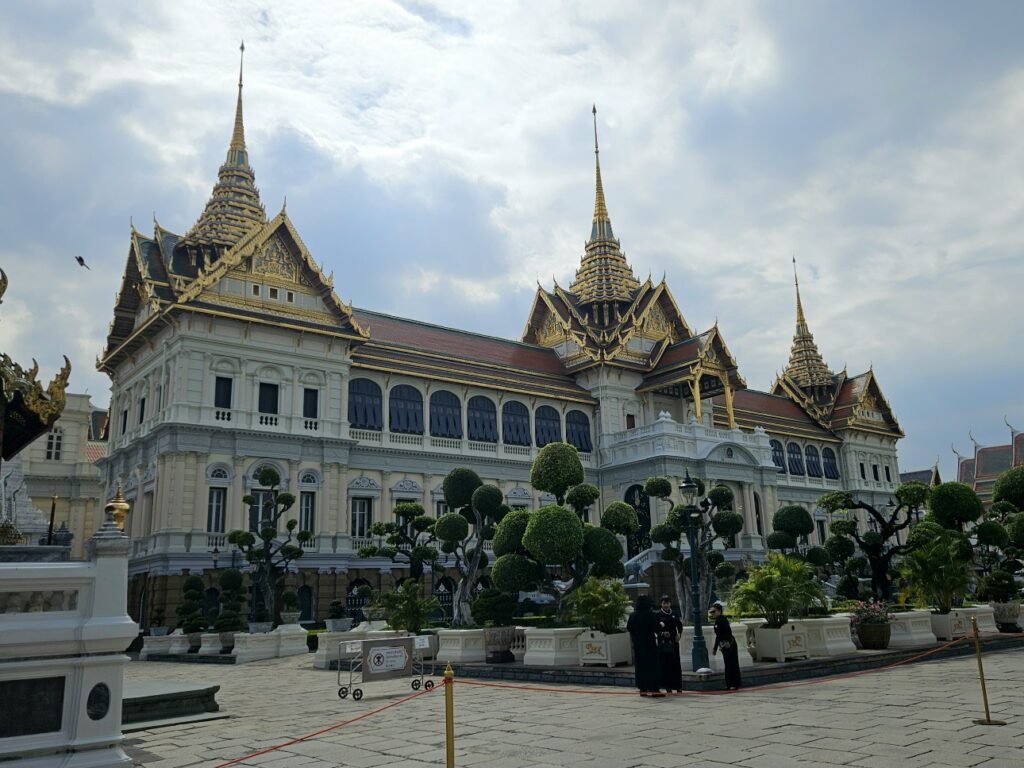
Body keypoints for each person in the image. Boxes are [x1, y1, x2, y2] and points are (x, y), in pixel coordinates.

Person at [626, 595, 661, 696]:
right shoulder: (650, 614)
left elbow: (629, 628)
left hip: (638, 644)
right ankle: (654, 688)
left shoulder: (633, 615)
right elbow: (656, 628)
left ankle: (643, 688)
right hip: (649, 643)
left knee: (640, 666)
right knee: (652, 666)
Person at [711, 601, 741, 690]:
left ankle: (735, 684)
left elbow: (728, 631)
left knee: (732, 664)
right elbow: (718, 636)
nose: (713, 613)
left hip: (730, 644)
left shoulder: (723, 619)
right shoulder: (716, 621)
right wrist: (715, 648)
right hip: (723, 645)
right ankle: (729, 684)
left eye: (714, 611)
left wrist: (728, 641)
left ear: (720, 611)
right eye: (712, 612)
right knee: (727, 664)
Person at [655, 595, 683, 693]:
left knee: (675, 664)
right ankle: (668, 686)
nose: (666, 605)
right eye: (664, 603)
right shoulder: (658, 615)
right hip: (663, 643)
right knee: (665, 665)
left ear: (670, 603)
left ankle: (678, 686)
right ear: (661, 604)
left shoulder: (674, 613)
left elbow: (679, 625)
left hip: (674, 642)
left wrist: (679, 634)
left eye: (667, 603)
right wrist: (662, 633)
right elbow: (655, 629)